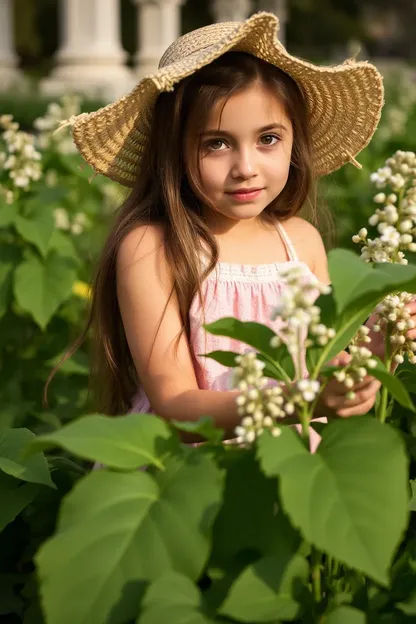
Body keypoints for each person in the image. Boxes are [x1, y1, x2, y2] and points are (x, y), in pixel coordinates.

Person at [61, 12, 388, 441]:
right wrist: (303, 401)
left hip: (289, 465)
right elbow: (175, 404)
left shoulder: (301, 243)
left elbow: (327, 367)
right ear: (173, 151)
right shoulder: (153, 246)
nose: (246, 168)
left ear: (295, 141)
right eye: (216, 144)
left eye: (268, 138)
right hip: (192, 476)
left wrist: (377, 348)